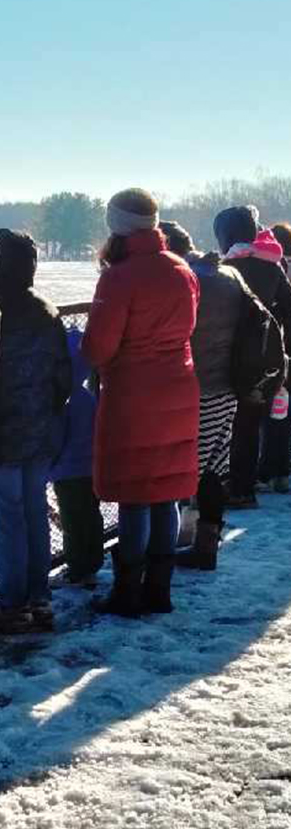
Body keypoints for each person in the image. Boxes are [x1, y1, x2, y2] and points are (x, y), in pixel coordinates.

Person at [83, 189, 199, 616]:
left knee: (135, 493)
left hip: (134, 393)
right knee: (165, 492)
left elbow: (100, 348)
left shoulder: (119, 277)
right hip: (179, 385)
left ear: (117, 225)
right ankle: (159, 589)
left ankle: (127, 591)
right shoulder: (181, 269)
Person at [160, 221, 272, 569]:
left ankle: (172, 544)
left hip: (196, 388)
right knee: (213, 469)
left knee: (182, 469)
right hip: (229, 386)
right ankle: (207, 544)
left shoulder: (190, 281)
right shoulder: (227, 275)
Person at [0, 229, 71, 632]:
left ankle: (12, 603)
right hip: (41, 430)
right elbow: (63, 376)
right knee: (33, 514)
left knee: (6, 522)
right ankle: (39, 597)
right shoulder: (46, 310)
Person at [214, 206, 291, 504]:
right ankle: (260, 479)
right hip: (266, 356)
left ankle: (238, 486)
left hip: (228, 356)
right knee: (260, 419)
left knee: (233, 425)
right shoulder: (270, 267)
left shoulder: (224, 269)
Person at [50, 328, 104, 586]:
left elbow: (56, 438)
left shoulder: (61, 401)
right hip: (90, 468)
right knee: (90, 515)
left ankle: (77, 565)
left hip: (66, 472)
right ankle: (93, 559)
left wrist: (49, 465)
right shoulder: (87, 398)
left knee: (72, 520)